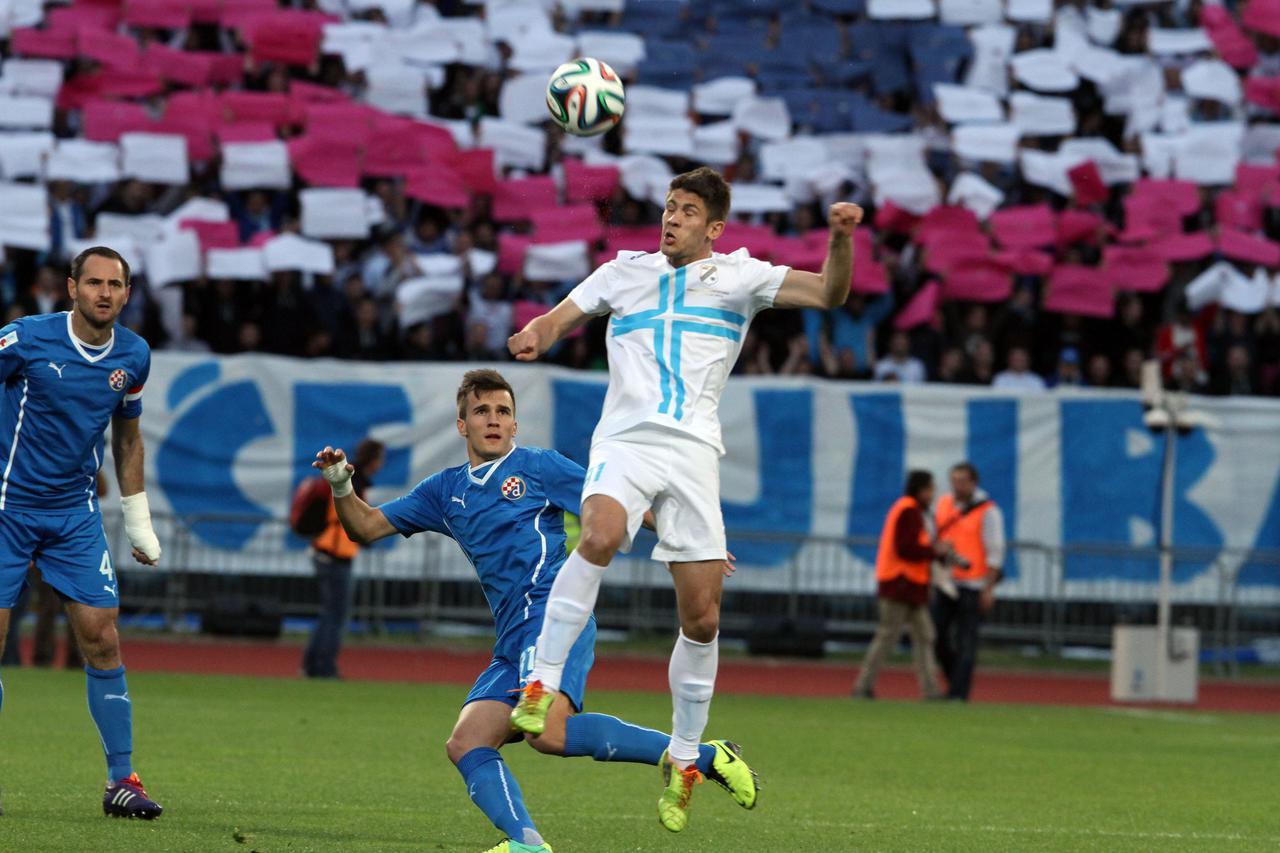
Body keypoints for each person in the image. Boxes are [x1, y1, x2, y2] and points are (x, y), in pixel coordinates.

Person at [505, 166, 862, 831]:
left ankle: (686, 757)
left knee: (701, 617)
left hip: (694, 454)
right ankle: (540, 682)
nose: (672, 218)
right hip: (626, 440)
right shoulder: (623, 271)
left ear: (714, 228)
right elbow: (557, 319)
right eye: (669, 207)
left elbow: (830, 293)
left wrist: (840, 238)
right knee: (600, 533)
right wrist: (535, 334)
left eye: (687, 210)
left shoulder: (741, 277)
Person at [311, 369, 758, 853]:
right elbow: (366, 527)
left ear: (515, 424)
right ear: (462, 425)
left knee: (547, 732)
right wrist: (340, 483)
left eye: (503, 411)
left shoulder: (539, 468)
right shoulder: (444, 492)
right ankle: (527, 844)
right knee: (467, 743)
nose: (494, 420)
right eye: (482, 411)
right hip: (511, 640)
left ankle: (704, 756)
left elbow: (617, 503)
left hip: (553, 620)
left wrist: (689, 539)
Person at [0, 246, 164, 818]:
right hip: (6, 509)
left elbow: (128, 438)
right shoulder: (23, 339)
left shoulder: (135, 355)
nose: (103, 293)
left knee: (102, 637)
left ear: (126, 292)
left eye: (114, 285)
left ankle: (123, 781)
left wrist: (137, 519)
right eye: (92, 282)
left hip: (73, 515)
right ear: (71, 287)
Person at [852, 471, 946, 700]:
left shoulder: (912, 511)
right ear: (920, 489)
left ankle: (930, 689)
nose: (933, 495)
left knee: (925, 635)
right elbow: (906, 548)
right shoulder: (908, 511)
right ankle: (862, 686)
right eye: (930, 489)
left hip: (911, 586)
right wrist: (934, 552)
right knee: (888, 637)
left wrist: (933, 553)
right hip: (900, 584)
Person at [301, 437, 385, 679]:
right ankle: (323, 667)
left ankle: (311, 665)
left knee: (329, 613)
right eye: (380, 458)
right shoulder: (353, 481)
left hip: (326, 550)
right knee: (336, 615)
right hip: (335, 554)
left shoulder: (351, 478)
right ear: (374, 459)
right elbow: (357, 519)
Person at [932, 462, 1006, 702]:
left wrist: (989, 587)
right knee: (935, 635)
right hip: (946, 581)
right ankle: (955, 679)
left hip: (973, 584)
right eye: (954, 480)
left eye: (962, 481)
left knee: (967, 640)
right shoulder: (944, 504)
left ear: (974, 483)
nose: (957, 486)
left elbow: (996, 551)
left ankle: (958, 693)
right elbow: (935, 536)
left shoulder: (988, 510)